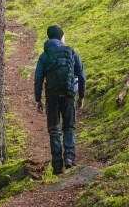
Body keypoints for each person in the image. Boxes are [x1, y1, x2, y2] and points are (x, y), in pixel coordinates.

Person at [34, 25, 86, 174]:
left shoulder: (45, 56)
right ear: (61, 37)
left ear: (49, 38)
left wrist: (38, 99)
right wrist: (81, 96)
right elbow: (81, 76)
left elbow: (38, 78)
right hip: (69, 94)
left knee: (54, 129)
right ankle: (69, 157)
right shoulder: (71, 52)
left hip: (52, 95)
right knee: (69, 126)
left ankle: (57, 163)